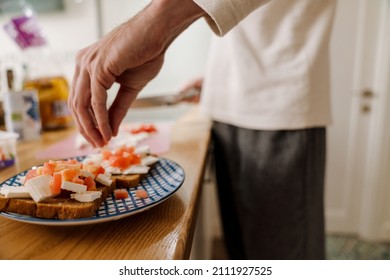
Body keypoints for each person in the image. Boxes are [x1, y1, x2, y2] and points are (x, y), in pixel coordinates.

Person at [68, 0, 337, 259]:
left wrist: (156, 22)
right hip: (228, 108)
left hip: (279, 110)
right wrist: (221, 77)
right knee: (244, 257)